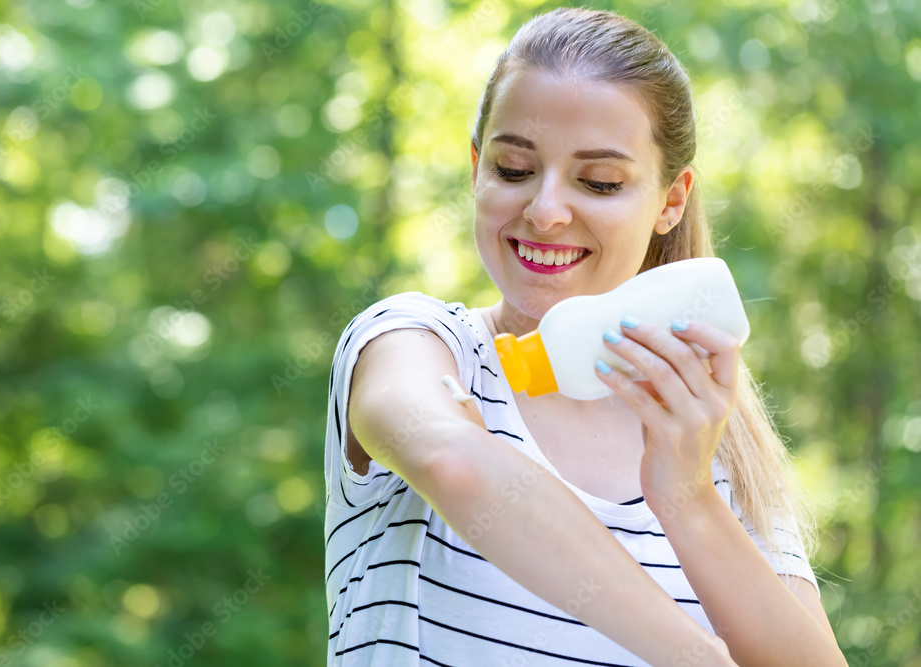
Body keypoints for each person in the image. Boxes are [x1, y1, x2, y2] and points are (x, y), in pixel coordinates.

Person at [323, 7, 846, 666]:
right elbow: (455, 460)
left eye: (598, 181)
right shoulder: (414, 342)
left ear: (670, 200)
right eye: (514, 169)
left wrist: (687, 497)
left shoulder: (712, 434)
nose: (544, 210)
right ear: (477, 167)